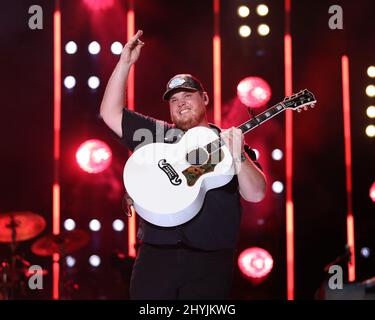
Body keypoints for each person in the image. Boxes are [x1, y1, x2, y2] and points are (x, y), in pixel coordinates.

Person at [100, 30, 267, 300]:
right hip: (156, 257)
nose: (180, 103)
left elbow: (256, 193)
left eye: (187, 96)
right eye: (174, 100)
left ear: (205, 99)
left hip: (211, 262)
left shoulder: (231, 143)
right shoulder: (157, 135)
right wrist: (125, 63)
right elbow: (110, 113)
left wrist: (238, 156)